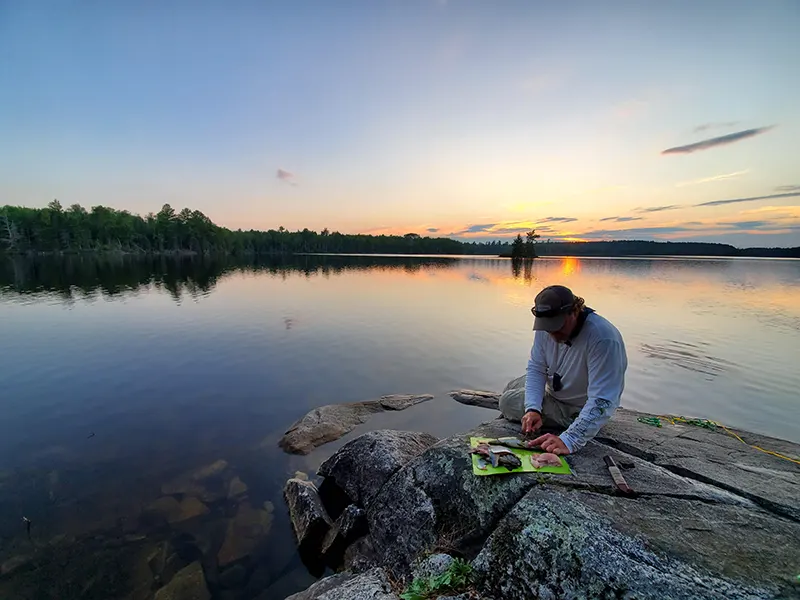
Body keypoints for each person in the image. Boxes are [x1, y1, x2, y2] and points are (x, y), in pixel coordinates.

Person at [499, 284, 627, 455]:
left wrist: (570, 439)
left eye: (557, 325)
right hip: (557, 389)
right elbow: (537, 368)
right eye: (548, 326)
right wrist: (533, 409)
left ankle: (570, 420)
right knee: (512, 385)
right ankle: (534, 414)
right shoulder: (547, 328)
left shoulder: (603, 338)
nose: (553, 333)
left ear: (574, 311)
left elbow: (603, 399)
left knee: (506, 402)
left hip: (576, 407)